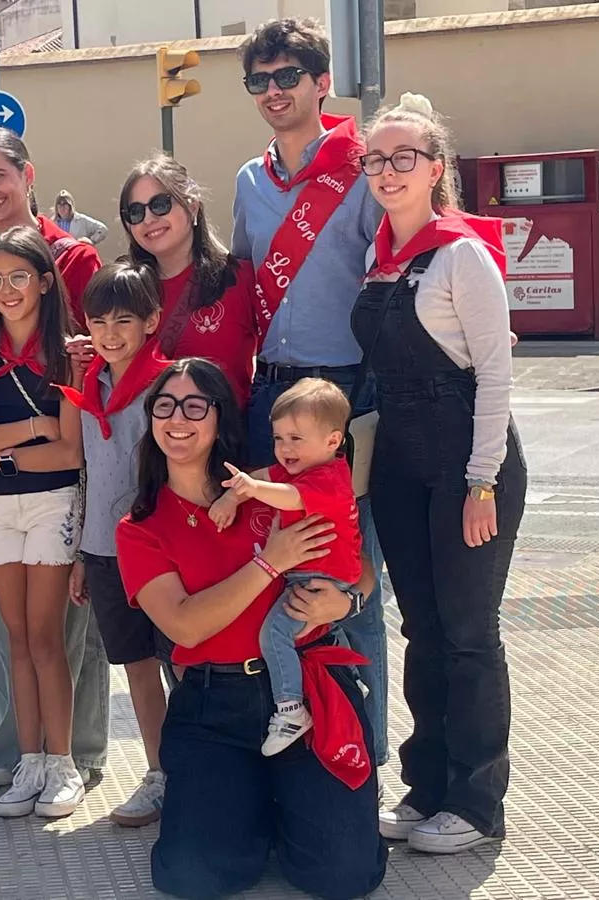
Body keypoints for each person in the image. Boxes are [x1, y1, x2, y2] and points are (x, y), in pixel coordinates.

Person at [116, 358, 386, 899]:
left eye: (196, 406)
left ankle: (288, 803)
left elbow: (356, 567)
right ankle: (255, 806)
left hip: (310, 690)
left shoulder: (273, 489)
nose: (178, 419)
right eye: (164, 406)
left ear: (220, 419)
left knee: (344, 876)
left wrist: (348, 599)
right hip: (215, 705)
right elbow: (185, 626)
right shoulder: (139, 527)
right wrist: (270, 563)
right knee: (194, 877)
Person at [354, 93, 526, 855]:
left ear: (436, 169)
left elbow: (494, 372)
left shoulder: (462, 254)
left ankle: (477, 800)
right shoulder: (377, 258)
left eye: (404, 158)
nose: (388, 172)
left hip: (467, 467)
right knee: (420, 630)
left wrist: (481, 481)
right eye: (376, 160)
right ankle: (426, 790)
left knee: (468, 634)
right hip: (399, 464)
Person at [230, 17, 392, 772]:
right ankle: (297, 739)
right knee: (280, 564)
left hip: (346, 390)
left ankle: (366, 750)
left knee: (350, 567)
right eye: (258, 80)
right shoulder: (249, 181)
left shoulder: (360, 167)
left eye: (286, 76)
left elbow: (394, 268)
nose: (272, 91)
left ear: (321, 82)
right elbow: (235, 285)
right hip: (272, 392)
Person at [0, 127, 109, 788]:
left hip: (63, 477)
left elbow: (92, 363)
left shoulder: (74, 257)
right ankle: (21, 753)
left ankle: (81, 753)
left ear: (28, 174)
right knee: (11, 629)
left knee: (70, 624)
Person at [0, 226, 87, 818]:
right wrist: (36, 430)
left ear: (44, 281)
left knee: (45, 638)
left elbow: (71, 453)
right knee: (15, 639)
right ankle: (28, 762)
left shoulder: (68, 353)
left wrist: (0, 453)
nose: (7, 290)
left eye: (19, 277)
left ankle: (63, 765)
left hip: (53, 503)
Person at [59, 262, 171, 827]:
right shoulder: (91, 384)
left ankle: (205, 769)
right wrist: (82, 552)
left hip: (163, 553)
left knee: (187, 662)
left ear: (152, 321)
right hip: (105, 553)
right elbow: (86, 475)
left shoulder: (171, 385)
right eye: (97, 320)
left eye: (124, 319)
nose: (109, 332)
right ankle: (159, 773)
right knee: (138, 665)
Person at [208, 379, 372, 757]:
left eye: (296, 438)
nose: (284, 449)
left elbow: (286, 495)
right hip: (318, 576)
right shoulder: (303, 468)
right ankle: (346, 683)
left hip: (322, 579)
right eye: (279, 438)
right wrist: (234, 496)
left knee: (275, 635)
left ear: (332, 442)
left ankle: (290, 709)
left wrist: (247, 487)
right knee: (311, 635)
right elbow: (269, 476)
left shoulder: (328, 478)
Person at [119, 154, 264, 407]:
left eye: (160, 204)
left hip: (230, 441)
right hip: (147, 442)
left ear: (193, 207)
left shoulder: (239, 278)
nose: (149, 219)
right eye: (135, 211)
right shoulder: (124, 291)